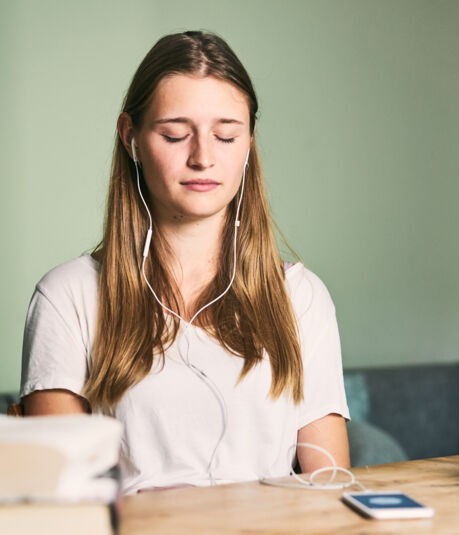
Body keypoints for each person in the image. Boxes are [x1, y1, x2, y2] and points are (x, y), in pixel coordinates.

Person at [20, 30, 349, 494]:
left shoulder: (302, 297)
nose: (203, 157)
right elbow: (66, 496)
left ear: (249, 142)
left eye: (226, 134)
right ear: (129, 136)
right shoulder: (68, 295)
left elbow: (329, 484)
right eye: (175, 134)